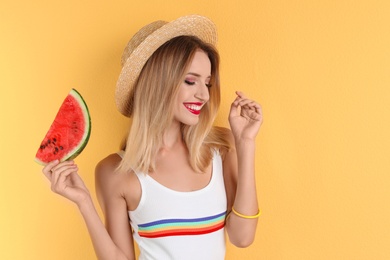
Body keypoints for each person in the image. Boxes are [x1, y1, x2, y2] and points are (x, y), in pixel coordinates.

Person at [42, 15, 263, 260]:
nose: (203, 95)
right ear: (158, 83)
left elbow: (242, 238)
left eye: (208, 84)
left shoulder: (223, 146)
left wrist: (246, 144)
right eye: (190, 81)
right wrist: (84, 202)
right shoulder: (114, 171)